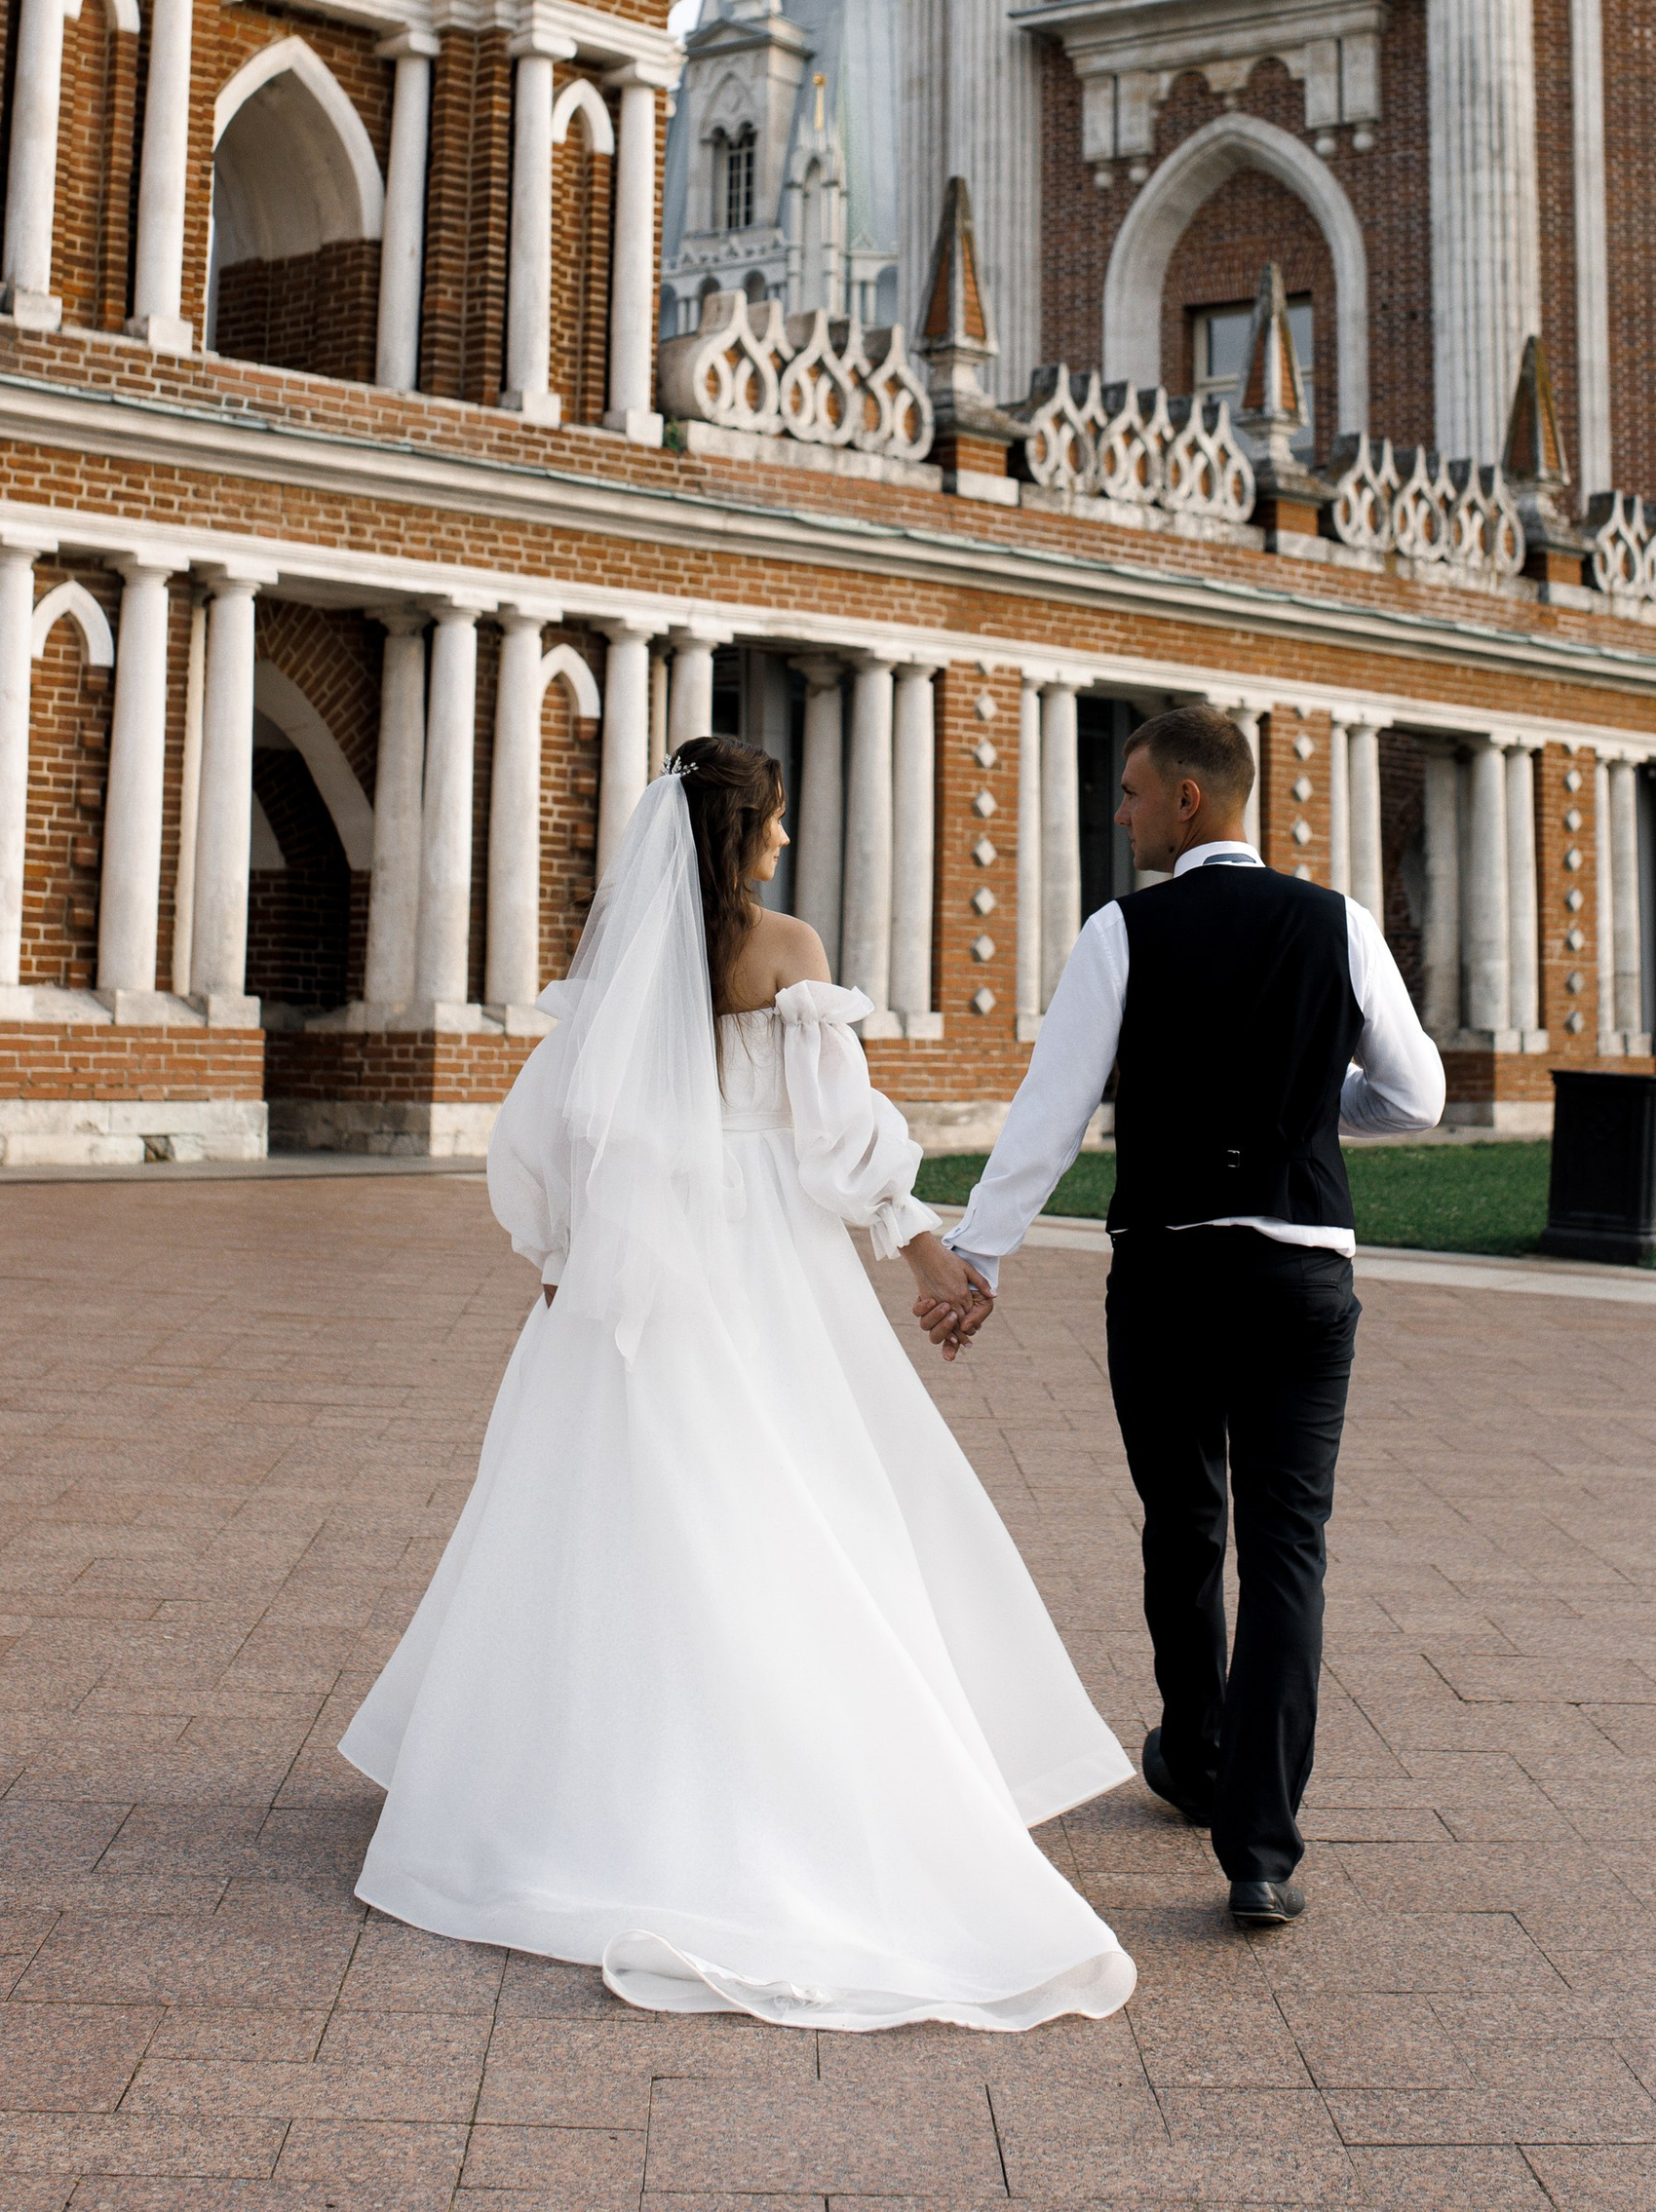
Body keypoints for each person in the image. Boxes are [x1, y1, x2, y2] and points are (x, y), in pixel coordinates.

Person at [341, 737, 1134, 2032]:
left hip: (632, 1273)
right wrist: (934, 1259)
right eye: (772, 825)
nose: (779, 843)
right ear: (750, 831)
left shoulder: (624, 976)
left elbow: (552, 1133)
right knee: (821, 1493)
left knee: (613, 1515)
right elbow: (842, 1145)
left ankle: (562, 1778)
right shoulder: (788, 949)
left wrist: (561, 1256)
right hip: (771, 1262)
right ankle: (815, 1770)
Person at [933, 706, 1444, 1929]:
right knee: (1284, 1550)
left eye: (1129, 792)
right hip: (1300, 1271)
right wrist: (1314, 1116)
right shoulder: (1336, 920)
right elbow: (1416, 1097)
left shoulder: (1122, 931)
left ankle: (1196, 1755)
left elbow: (1051, 1111)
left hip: (1164, 1270)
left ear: (1189, 804)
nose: (1117, 813)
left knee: (1182, 1519)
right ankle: (1259, 1847)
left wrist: (977, 1258)